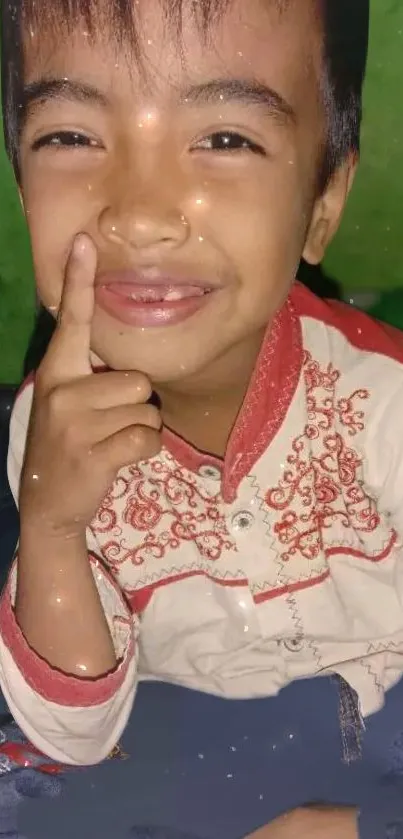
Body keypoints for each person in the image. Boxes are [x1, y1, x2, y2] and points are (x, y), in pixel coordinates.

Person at [1, 0, 403, 835]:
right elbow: (74, 734)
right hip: (185, 730)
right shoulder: (47, 429)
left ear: (322, 203)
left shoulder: (380, 396)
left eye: (224, 139)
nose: (140, 216)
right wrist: (50, 526)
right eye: (71, 137)